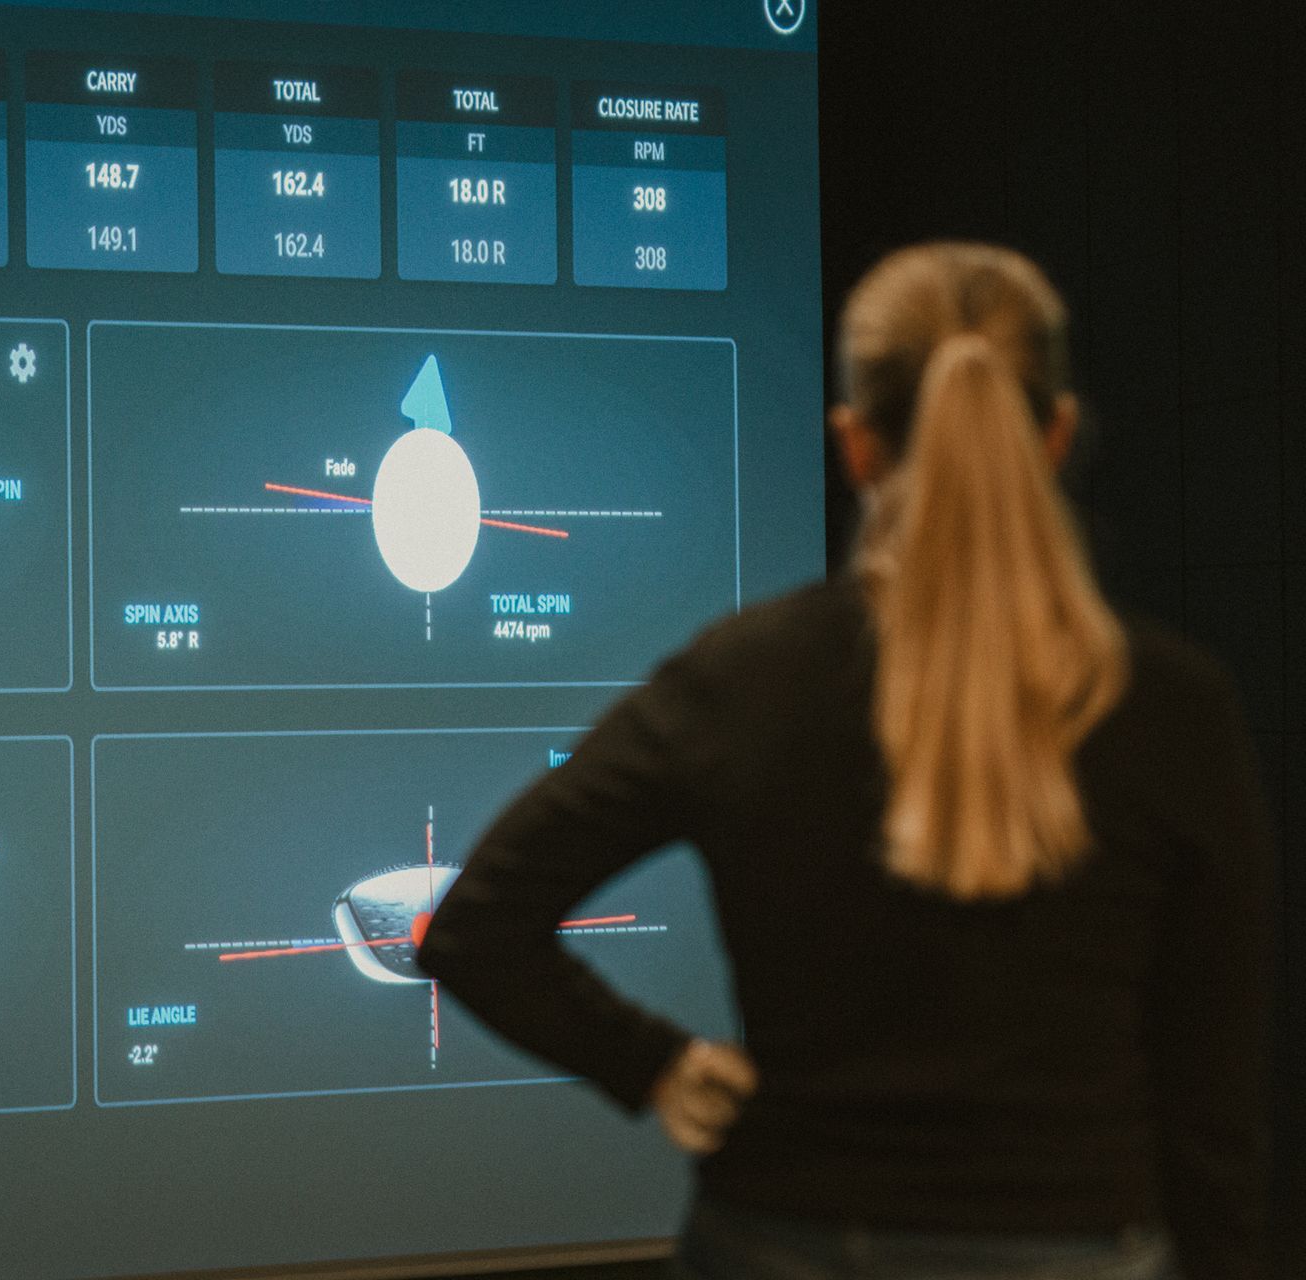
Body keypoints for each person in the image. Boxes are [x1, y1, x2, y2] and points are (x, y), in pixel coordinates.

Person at [417, 243, 1274, 1280]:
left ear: (855, 445)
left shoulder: (744, 679)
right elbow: (1215, 1077)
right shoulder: (1173, 703)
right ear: (1054, 434)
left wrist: (654, 1064)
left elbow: (475, 924)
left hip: (780, 1238)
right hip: (1084, 1240)